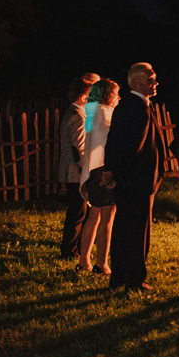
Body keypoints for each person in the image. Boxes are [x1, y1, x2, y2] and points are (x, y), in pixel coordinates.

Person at [106, 62, 164, 291]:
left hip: (130, 180)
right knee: (137, 233)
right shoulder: (136, 107)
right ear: (138, 82)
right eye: (151, 79)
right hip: (137, 180)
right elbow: (132, 146)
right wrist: (117, 173)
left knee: (124, 229)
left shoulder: (132, 105)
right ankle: (133, 279)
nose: (155, 83)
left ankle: (119, 276)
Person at [77, 78, 120, 274]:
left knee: (93, 215)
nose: (118, 98)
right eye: (116, 93)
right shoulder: (105, 114)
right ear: (109, 94)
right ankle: (101, 263)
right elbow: (109, 144)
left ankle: (84, 260)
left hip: (93, 171)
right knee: (107, 217)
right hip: (104, 170)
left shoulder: (90, 112)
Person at [58, 76, 94, 260]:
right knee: (77, 213)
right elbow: (79, 149)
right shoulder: (77, 116)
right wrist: (89, 171)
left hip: (76, 172)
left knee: (80, 212)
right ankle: (70, 252)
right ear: (83, 98)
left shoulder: (78, 114)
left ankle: (77, 249)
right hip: (76, 173)